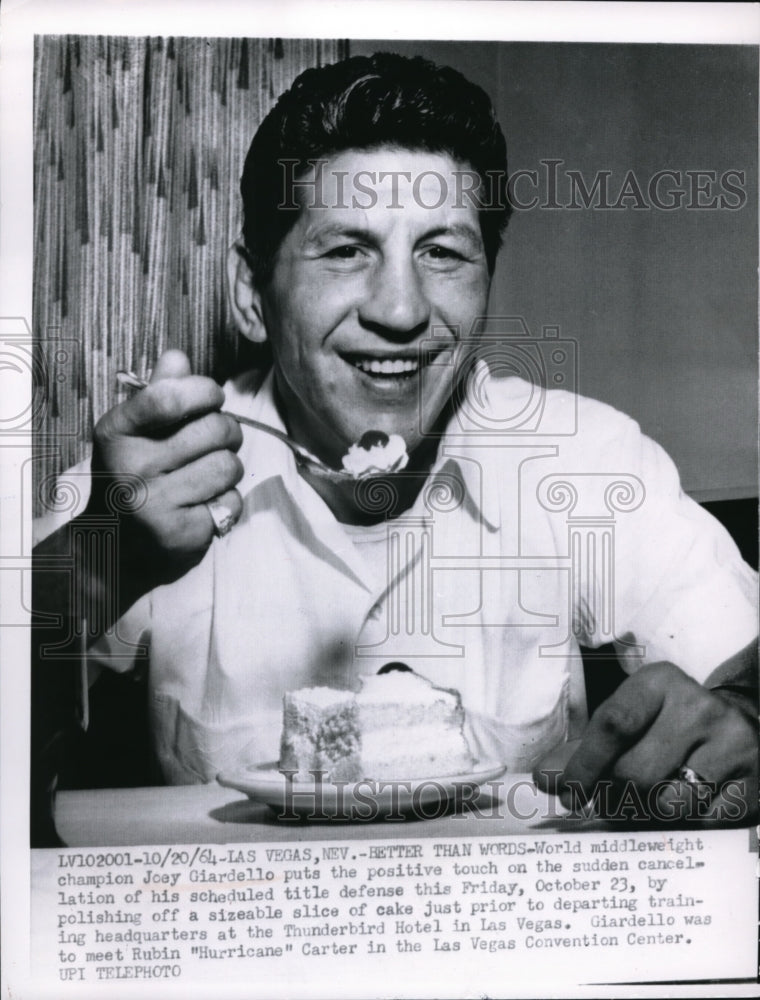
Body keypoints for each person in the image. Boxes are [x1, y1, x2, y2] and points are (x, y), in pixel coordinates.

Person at [32, 53, 757, 841]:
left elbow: (739, 664)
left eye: (442, 252)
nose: (403, 309)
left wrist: (744, 715)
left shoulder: (582, 455)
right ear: (251, 294)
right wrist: (93, 573)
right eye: (347, 249)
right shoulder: (157, 471)